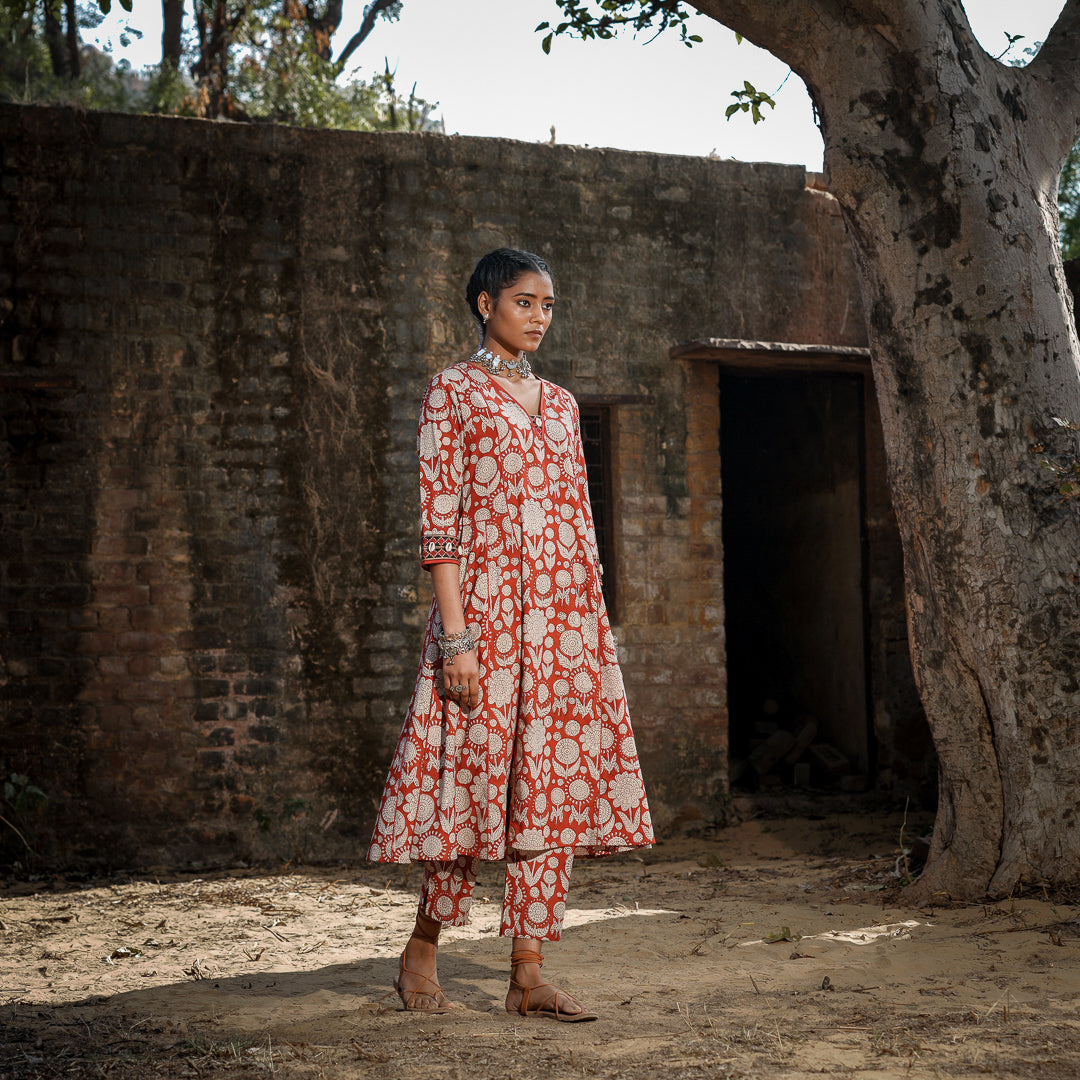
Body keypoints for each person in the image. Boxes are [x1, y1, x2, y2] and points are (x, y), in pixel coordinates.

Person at [367, 248, 653, 1021]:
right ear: (486, 303)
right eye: (525, 301)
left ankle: (528, 976)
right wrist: (455, 640)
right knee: (471, 780)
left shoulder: (560, 404)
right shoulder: (452, 392)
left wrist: (590, 631)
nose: (539, 316)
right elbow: (441, 523)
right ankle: (422, 946)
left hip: (562, 625)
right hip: (486, 619)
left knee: (548, 791)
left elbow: (576, 522)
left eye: (549, 305)